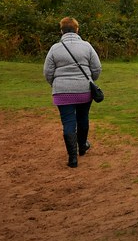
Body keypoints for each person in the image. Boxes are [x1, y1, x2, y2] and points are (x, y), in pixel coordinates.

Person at [43, 17, 102, 168]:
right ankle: (82, 146)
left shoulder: (55, 48)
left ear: (61, 31)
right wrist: (89, 79)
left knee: (68, 122)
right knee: (83, 118)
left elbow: (48, 72)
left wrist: (56, 84)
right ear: (77, 30)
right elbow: (97, 68)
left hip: (61, 93)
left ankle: (72, 159)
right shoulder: (87, 46)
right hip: (84, 90)